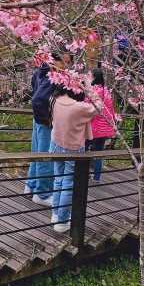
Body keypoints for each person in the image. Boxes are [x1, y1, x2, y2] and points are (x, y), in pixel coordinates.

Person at [25, 46, 72, 205]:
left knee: (36, 152)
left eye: (68, 62)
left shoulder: (40, 70)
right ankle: (43, 194)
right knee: (46, 155)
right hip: (45, 120)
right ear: (54, 61)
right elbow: (37, 99)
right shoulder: (52, 76)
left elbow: (34, 91)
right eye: (64, 62)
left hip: (38, 118)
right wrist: (46, 120)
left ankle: (31, 185)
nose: (66, 66)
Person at [49, 84, 98, 233]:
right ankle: (62, 222)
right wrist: (89, 89)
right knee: (68, 184)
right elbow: (99, 106)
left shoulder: (53, 100)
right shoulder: (78, 107)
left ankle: (56, 214)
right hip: (73, 147)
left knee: (59, 179)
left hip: (56, 144)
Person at [85, 67, 116, 183]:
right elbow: (111, 110)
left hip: (94, 127)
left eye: (89, 75)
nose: (87, 77)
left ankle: (84, 173)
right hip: (104, 128)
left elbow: (87, 105)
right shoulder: (105, 91)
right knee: (99, 152)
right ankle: (97, 177)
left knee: (84, 149)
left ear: (94, 77)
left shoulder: (93, 91)